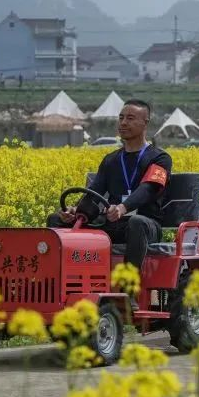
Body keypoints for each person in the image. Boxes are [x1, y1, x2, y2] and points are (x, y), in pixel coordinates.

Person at [46, 99, 171, 271]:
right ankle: (60, 282)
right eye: (121, 118)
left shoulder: (160, 158)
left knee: (137, 222)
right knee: (56, 220)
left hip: (145, 225)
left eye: (130, 118)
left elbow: (148, 188)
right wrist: (77, 210)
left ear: (145, 123)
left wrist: (122, 208)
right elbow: (94, 191)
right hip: (113, 223)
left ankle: (129, 289)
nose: (123, 123)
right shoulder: (111, 160)